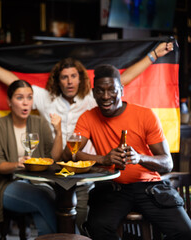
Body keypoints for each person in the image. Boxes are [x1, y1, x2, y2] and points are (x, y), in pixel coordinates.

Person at [0, 41, 174, 231]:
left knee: (83, 215)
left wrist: (154, 54)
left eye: (73, 76)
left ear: (81, 78)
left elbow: (124, 79)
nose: (69, 81)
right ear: (57, 81)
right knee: (54, 207)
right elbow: (16, 84)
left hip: (86, 169)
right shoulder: (46, 98)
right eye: (64, 77)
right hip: (54, 169)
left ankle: (75, 234)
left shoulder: (93, 97)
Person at [62, 64, 191, 240]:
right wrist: (104, 159)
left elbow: (167, 163)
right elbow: (68, 154)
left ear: (121, 90)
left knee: (185, 231)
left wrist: (140, 158)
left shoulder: (146, 115)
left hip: (148, 187)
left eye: (112, 91)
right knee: (97, 227)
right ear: (93, 93)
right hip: (113, 189)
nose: (106, 97)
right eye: (100, 91)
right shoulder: (87, 117)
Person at [0, 80, 63, 236]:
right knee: (43, 197)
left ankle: (57, 238)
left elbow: (53, 158)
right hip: (8, 186)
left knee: (43, 208)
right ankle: (69, 237)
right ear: (9, 101)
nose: (25, 103)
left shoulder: (40, 122)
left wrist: (59, 132)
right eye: (20, 98)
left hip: (37, 183)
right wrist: (18, 164)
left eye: (29, 97)